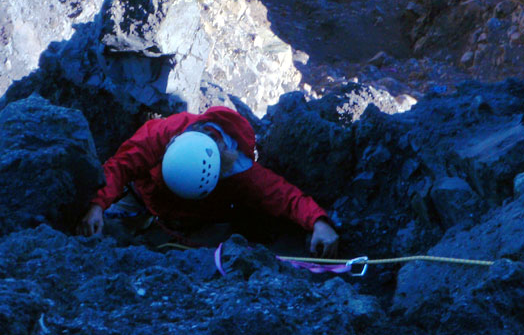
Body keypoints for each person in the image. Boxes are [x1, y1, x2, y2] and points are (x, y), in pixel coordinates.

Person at [79, 106, 339, 257]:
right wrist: (97, 206)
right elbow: (120, 167)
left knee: (226, 254)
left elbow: (282, 196)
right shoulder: (160, 135)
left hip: (197, 223)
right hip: (143, 195)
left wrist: (318, 221)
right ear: (170, 147)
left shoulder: (239, 170)